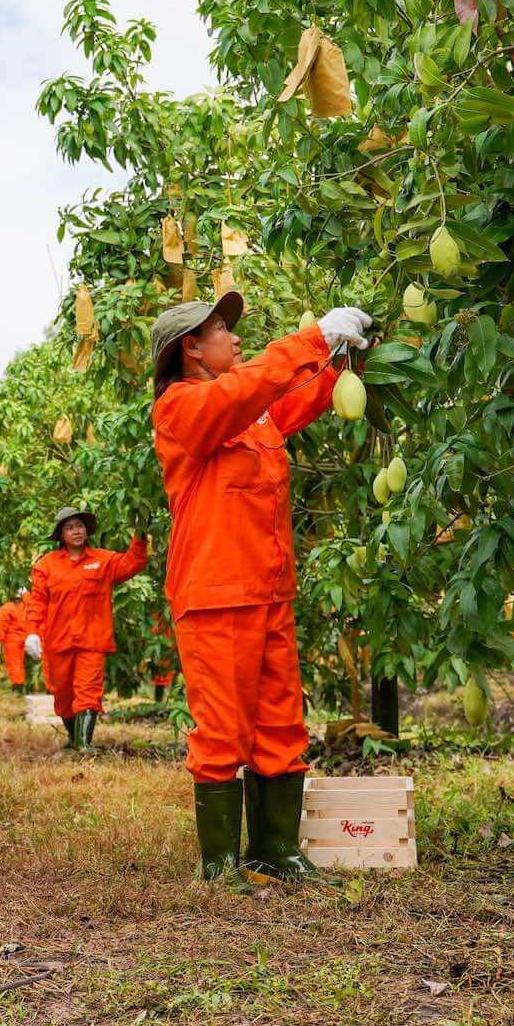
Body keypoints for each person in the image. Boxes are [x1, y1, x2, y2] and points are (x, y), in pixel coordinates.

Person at [150, 294, 371, 883]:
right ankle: (219, 864)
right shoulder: (182, 406)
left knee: (280, 722)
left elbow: (291, 399)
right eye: (223, 330)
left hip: (270, 590)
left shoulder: (251, 411)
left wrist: (339, 359)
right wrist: (310, 340)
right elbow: (240, 392)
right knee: (223, 728)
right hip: (217, 593)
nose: (236, 338)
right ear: (190, 348)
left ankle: (275, 849)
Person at [22, 508, 147, 751]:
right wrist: (32, 632)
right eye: (70, 527)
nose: (76, 531)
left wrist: (140, 533)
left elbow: (133, 563)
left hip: (92, 640)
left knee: (88, 690)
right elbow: (37, 601)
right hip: (58, 641)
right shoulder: (46, 565)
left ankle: (83, 745)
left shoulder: (103, 560)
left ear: (86, 529)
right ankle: (74, 738)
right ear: (61, 534)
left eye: (79, 525)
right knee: (63, 694)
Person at [0, 588, 32, 693]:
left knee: (13, 665)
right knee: (19, 665)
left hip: (11, 641)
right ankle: (20, 688)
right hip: (23, 640)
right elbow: (31, 602)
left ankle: (17, 691)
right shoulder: (25, 607)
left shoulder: (6, 608)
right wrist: (26, 593)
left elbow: (2, 627)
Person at [146, 610, 180, 703]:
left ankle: (173, 698)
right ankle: (162, 700)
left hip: (169, 642)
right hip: (165, 642)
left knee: (168, 669)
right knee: (162, 671)